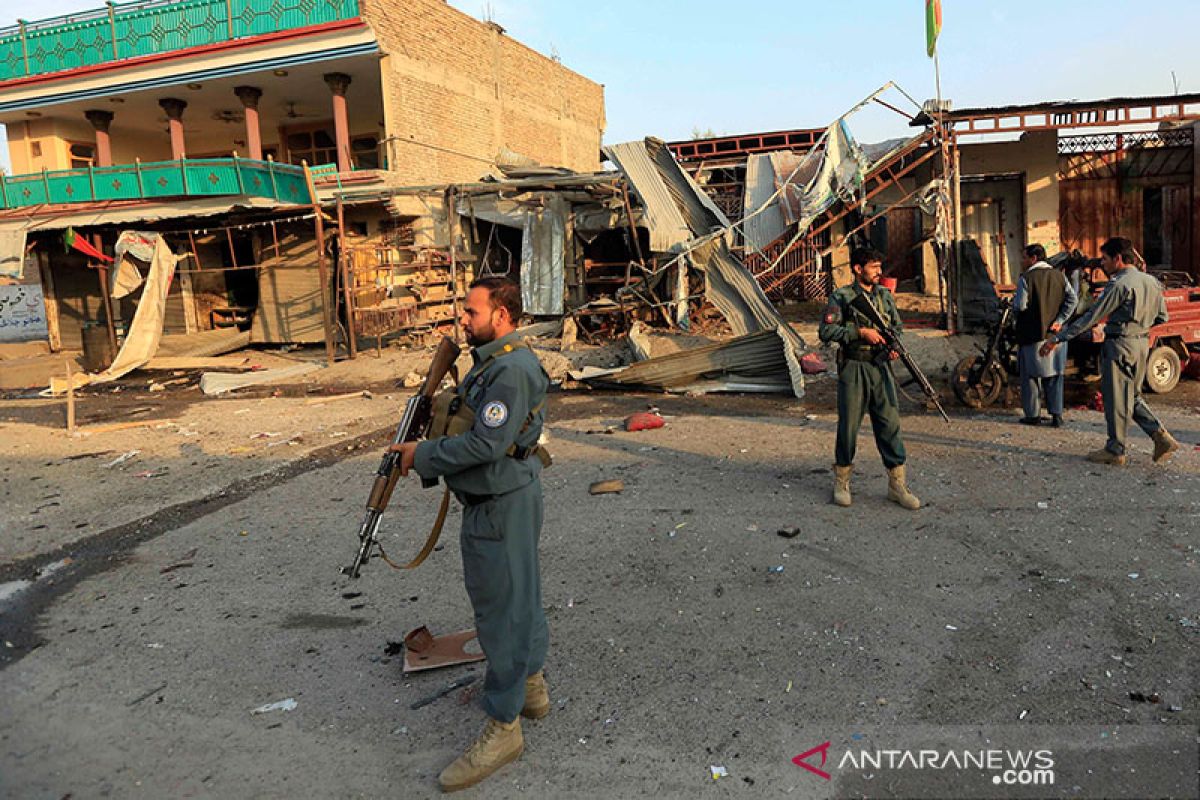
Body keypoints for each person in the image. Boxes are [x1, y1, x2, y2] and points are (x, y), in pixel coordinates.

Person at [390, 276, 551, 792]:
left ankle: (504, 728)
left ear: (502, 316)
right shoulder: (499, 364)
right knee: (521, 598)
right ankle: (530, 688)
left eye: (472, 312)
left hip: (498, 506)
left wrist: (424, 458)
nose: (463, 319)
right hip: (506, 498)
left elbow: (485, 444)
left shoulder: (509, 370)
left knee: (499, 613)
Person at [1040, 237, 1179, 465]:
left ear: (1118, 259)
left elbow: (1090, 317)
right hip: (1142, 344)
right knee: (1131, 396)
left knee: (1116, 398)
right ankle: (1160, 436)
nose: (1102, 264)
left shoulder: (1118, 285)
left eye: (1104, 259)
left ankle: (1115, 450)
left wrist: (1057, 338)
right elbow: (1163, 316)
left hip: (1120, 345)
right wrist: (1138, 328)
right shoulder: (1152, 282)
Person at [818, 247, 920, 510]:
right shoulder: (841, 297)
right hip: (854, 367)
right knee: (849, 426)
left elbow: (896, 326)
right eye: (873, 267)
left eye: (878, 266)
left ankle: (897, 485)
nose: (878, 272)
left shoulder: (884, 296)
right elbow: (827, 331)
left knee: (889, 424)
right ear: (857, 269)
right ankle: (842, 481)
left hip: (880, 366)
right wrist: (859, 332)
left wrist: (894, 345)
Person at [1013, 243, 1077, 426]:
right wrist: (1060, 320)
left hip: (1032, 335)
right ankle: (1056, 415)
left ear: (1033, 259)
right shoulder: (1060, 276)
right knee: (1055, 375)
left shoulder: (1026, 278)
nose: (1022, 261)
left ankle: (1033, 415)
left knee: (1030, 377)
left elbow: (1020, 306)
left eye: (1024, 257)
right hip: (1055, 336)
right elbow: (1073, 299)